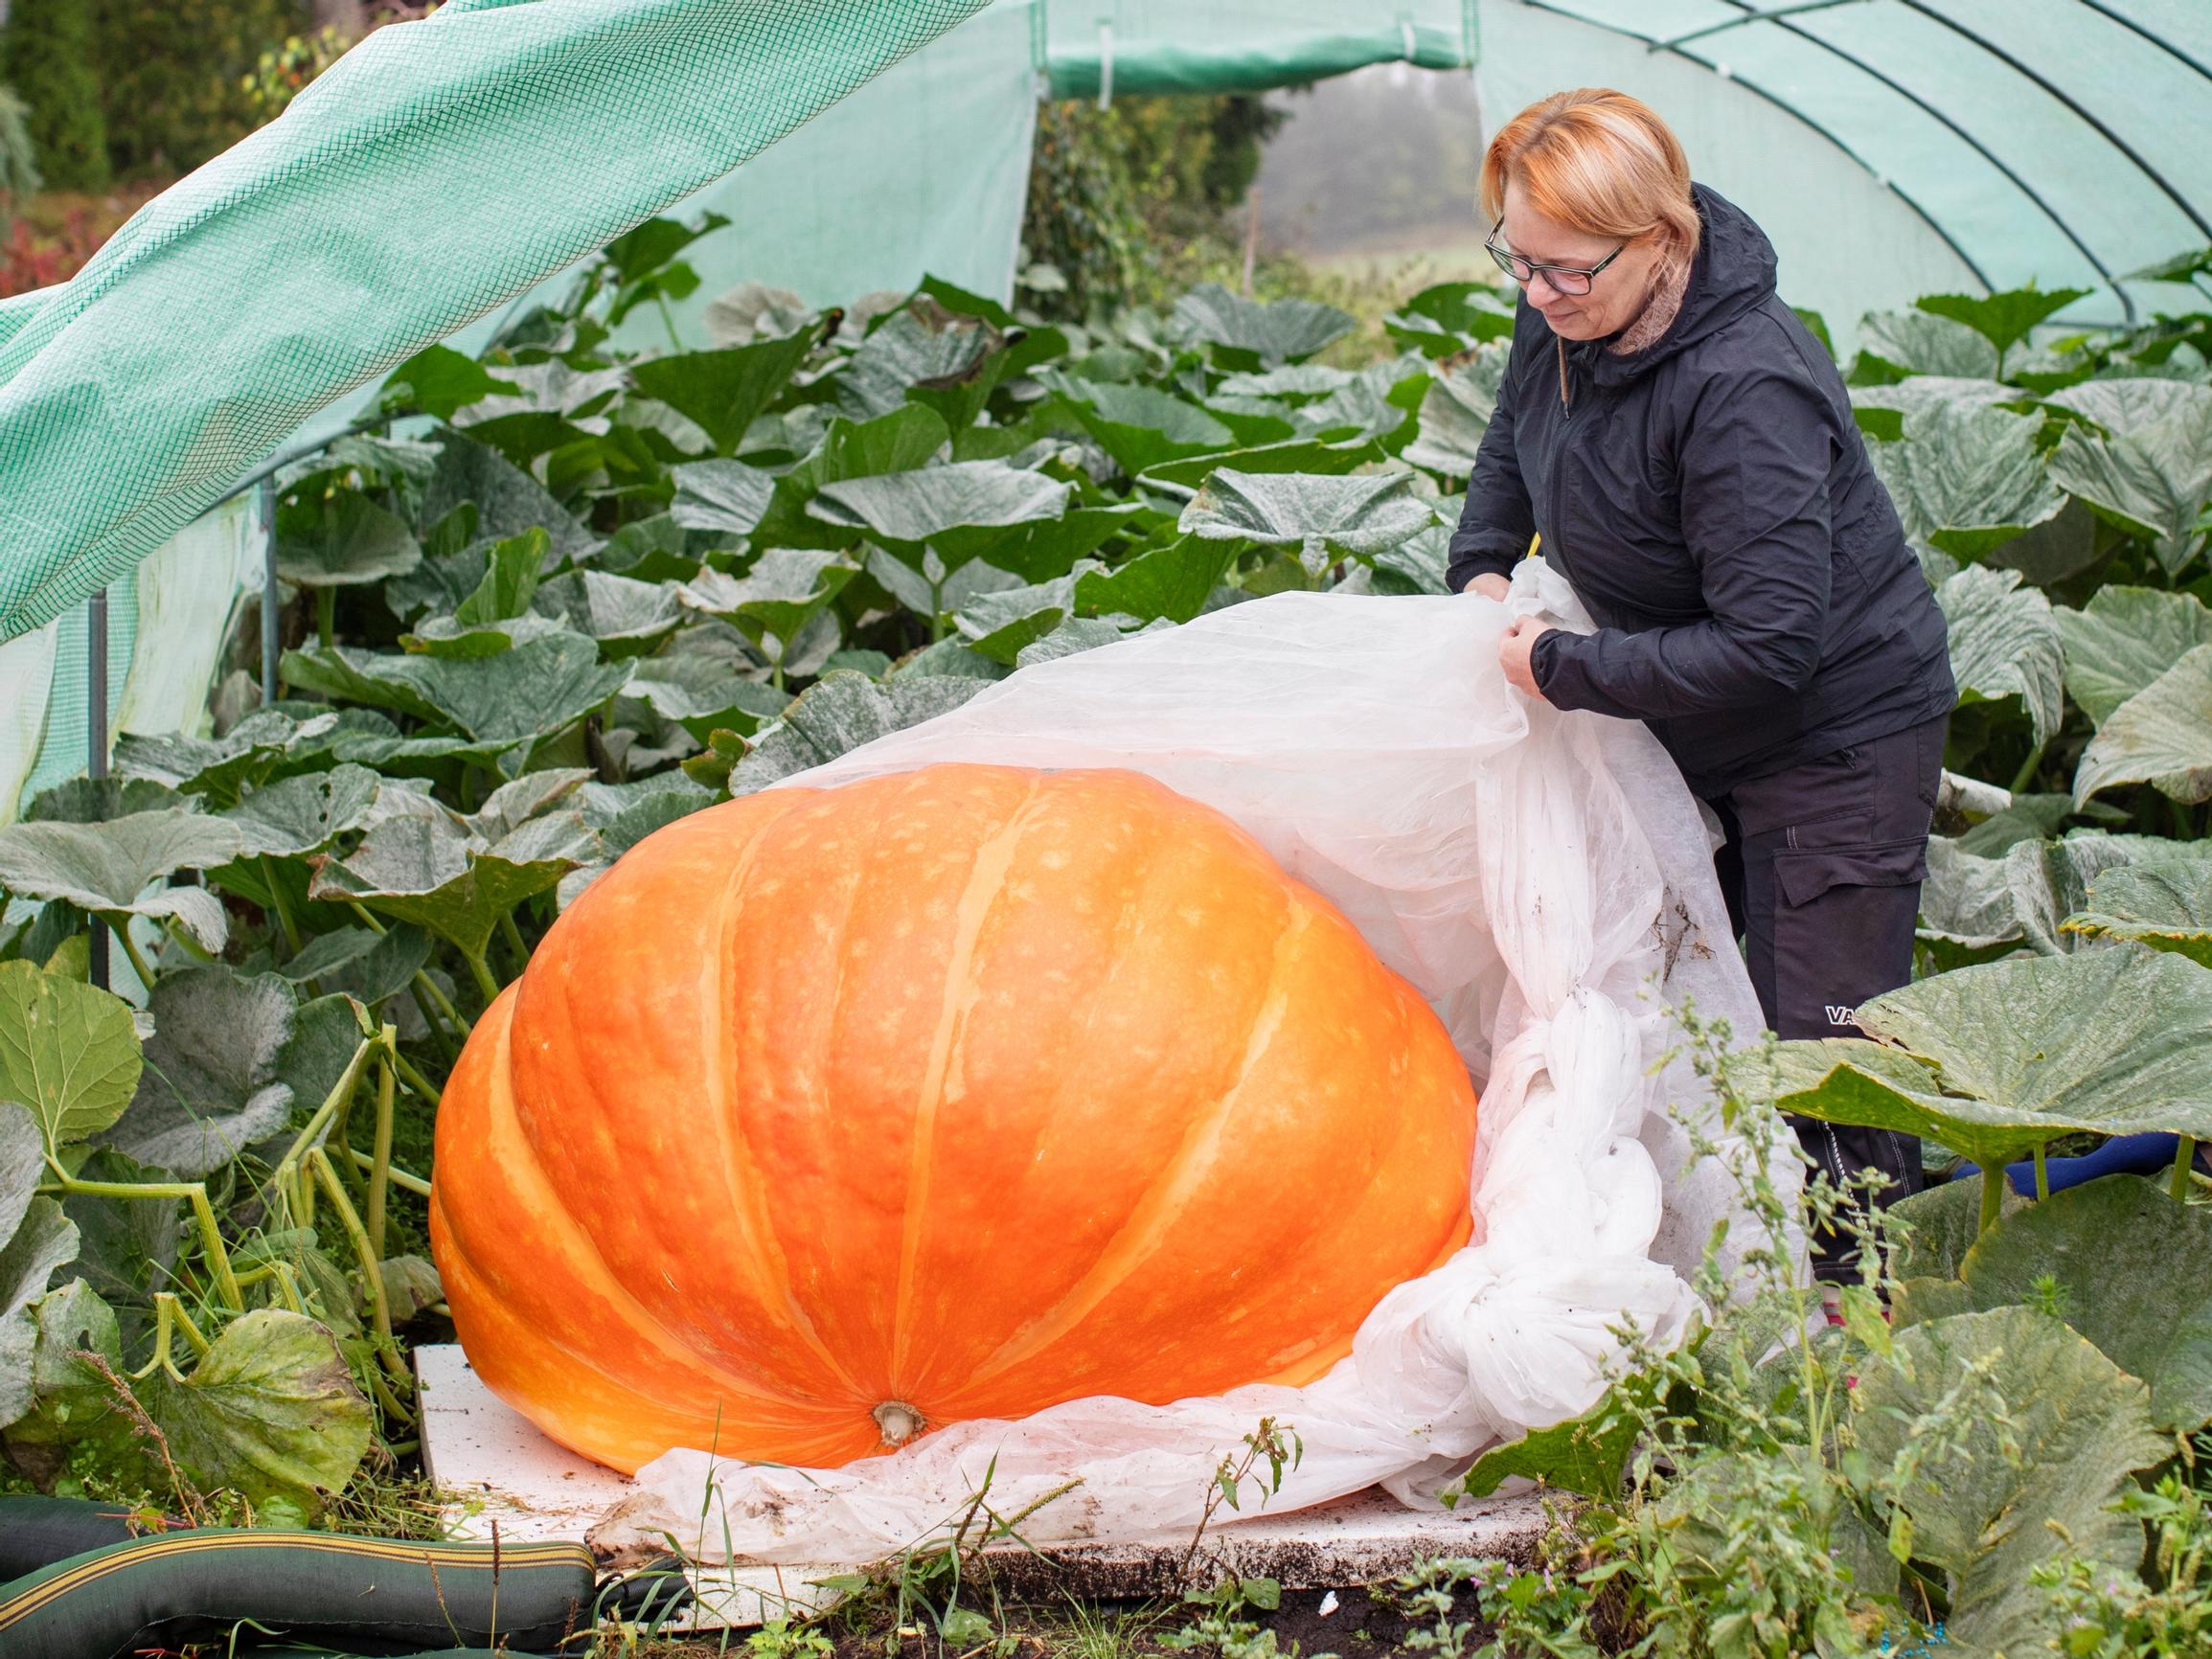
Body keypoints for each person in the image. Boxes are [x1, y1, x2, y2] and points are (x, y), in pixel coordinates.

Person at [1447, 88, 1957, 1281]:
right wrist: (1480, 564)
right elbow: (1506, 439)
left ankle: (1856, 1318)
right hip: (1686, 714)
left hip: (1830, 736)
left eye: (1562, 271)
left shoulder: (1743, 386)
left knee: (1819, 1033)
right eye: (1515, 263)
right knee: (1690, 990)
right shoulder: (1566, 309)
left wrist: (1561, 668)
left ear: (1659, 236)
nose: (1535, 295)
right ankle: (1732, 1260)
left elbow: (1771, 643)